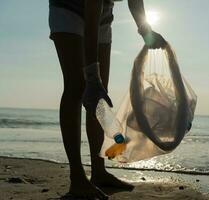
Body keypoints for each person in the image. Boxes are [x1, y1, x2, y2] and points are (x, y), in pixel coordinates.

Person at [48, 0, 166, 199]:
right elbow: (92, 9)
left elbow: (135, 2)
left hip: (103, 14)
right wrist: (92, 76)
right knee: (77, 87)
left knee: (100, 94)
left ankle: (98, 171)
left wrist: (146, 30)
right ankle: (77, 178)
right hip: (68, 7)